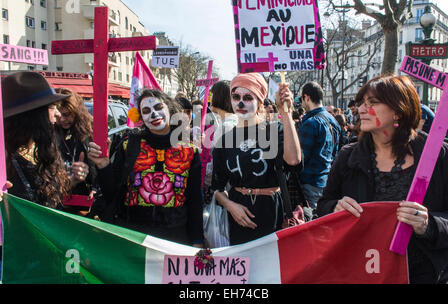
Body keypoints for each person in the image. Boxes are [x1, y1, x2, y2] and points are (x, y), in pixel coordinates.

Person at [317, 75, 448, 284]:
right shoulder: (348, 156)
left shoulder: (436, 157)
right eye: (361, 103)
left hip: (422, 273)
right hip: (364, 270)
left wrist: (428, 224)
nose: (361, 110)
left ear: (398, 110)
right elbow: (323, 207)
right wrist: (335, 209)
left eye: (372, 103)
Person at [87, 89, 204, 247]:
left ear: (169, 109)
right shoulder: (128, 146)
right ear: (141, 118)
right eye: (146, 111)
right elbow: (112, 194)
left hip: (174, 238)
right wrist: (103, 166)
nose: (154, 115)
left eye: (158, 108)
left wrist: (197, 240)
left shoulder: (190, 151)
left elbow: (195, 200)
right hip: (133, 237)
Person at [211, 73, 302, 245]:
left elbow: (293, 160)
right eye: (236, 97)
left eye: (248, 97)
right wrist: (230, 205)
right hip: (239, 217)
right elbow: (217, 188)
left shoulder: (275, 130)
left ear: (260, 101)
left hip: (273, 213)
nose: (240, 103)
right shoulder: (224, 140)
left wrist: (286, 114)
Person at [2, 71, 88, 209]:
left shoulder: (41, 148)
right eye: (52, 107)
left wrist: (73, 180)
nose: (58, 114)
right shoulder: (4, 156)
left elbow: (47, 199)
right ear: (33, 115)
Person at [54, 88, 99, 216]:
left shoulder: (88, 131)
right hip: (58, 196)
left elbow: (98, 164)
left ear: (77, 112)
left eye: (67, 114)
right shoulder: (50, 133)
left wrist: (95, 187)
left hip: (84, 198)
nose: (63, 119)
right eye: (59, 115)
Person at [298, 81, 341, 210]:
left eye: (301, 99)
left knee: (311, 219)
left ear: (307, 98)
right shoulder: (333, 119)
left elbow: (301, 158)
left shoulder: (311, 123)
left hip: (310, 181)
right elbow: (335, 151)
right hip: (326, 179)